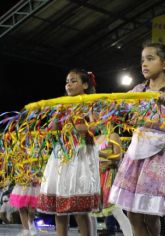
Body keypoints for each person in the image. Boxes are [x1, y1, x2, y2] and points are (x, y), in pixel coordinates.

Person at [109, 42, 165, 236]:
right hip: (137, 153)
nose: (144, 64)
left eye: (150, 59)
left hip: (158, 154)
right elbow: (118, 105)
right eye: (142, 60)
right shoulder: (137, 90)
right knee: (133, 213)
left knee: (150, 212)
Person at [37, 69, 100, 236]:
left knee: (80, 209)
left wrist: (78, 127)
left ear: (85, 84)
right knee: (60, 205)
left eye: (73, 81)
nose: (69, 84)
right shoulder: (62, 105)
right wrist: (57, 117)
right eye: (67, 81)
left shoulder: (90, 104)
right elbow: (52, 128)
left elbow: (94, 127)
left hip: (81, 155)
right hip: (62, 154)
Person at [10, 169, 41, 235]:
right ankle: (26, 229)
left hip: (33, 185)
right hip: (22, 184)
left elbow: (40, 168)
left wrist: (38, 177)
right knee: (21, 208)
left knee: (31, 210)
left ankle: (30, 224)